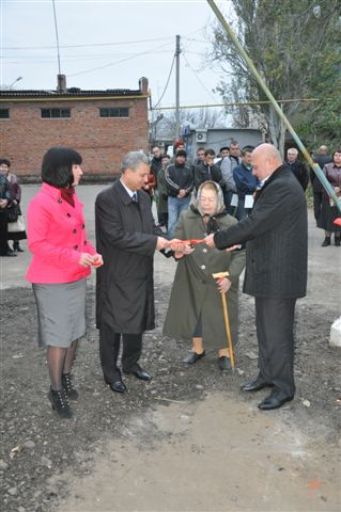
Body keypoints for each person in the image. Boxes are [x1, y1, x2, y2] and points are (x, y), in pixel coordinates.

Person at [205, 144, 308, 411]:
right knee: (266, 331)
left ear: (271, 161)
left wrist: (219, 239)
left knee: (278, 334)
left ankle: (284, 388)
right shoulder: (276, 182)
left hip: (279, 276)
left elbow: (255, 223)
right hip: (269, 272)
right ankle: (266, 375)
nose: (253, 169)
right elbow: (268, 229)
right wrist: (237, 245)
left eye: (256, 165)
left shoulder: (282, 186)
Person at [26, 147, 103, 419]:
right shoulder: (40, 203)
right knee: (59, 338)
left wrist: (91, 253)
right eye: (76, 167)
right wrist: (75, 257)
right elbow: (37, 245)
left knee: (74, 332)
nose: (81, 171)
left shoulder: (70, 198)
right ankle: (55, 388)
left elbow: (80, 239)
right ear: (62, 170)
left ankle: (67, 376)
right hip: (52, 282)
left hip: (75, 277)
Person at [95, 151, 170, 394]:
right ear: (126, 172)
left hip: (140, 270)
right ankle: (110, 372)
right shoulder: (106, 199)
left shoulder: (144, 198)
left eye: (147, 174)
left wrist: (170, 247)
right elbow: (115, 236)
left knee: (136, 320)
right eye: (142, 175)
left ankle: (131, 363)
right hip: (117, 272)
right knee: (113, 324)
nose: (146, 179)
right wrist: (154, 244)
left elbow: (151, 228)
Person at [163, 181, 245, 370]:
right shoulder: (186, 217)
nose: (206, 203)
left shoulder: (231, 223)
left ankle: (224, 352)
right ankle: (197, 349)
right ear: (197, 199)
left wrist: (230, 277)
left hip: (220, 277)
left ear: (219, 200)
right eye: (203, 199)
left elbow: (241, 252)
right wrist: (180, 249)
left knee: (221, 316)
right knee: (195, 314)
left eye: (211, 199)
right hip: (191, 275)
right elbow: (177, 241)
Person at [165, 149, 194, 238]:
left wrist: (185, 191)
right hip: (173, 199)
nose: (181, 159)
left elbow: (192, 183)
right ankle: (171, 243)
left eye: (183, 157)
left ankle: (180, 240)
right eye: (179, 156)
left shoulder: (188, 169)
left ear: (185, 159)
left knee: (182, 221)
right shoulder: (170, 168)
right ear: (175, 157)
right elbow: (168, 180)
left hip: (185, 199)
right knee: (172, 221)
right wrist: (179, 190)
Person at [0, 158, 26, 252]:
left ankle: (16, 244)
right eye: (2, 167)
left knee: (17, 225)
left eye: (6, 167)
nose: (3, 169)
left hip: (14, 204)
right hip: (4, 205)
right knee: (5, 227)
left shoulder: (13, 177)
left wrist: (16, 200)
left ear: (8, 168)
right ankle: (6, 246)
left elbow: (18, 190)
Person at [317, 149, 341, 246]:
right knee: (328, 218)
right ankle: (327, 238)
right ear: (333, 156)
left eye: (340, 155)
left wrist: (339, 189)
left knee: (339, 217)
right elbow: (322, 180)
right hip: (329, 196)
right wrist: (331, 189)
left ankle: (337, 238)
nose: (338, 157)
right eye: (336, 155)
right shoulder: (327, 167)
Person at [233, 146, 258, 220]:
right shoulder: (237, 170)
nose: (250, 159)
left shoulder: (256, 168)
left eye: (252, 156)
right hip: (243, 199)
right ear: (242, 157)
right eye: (248, 156)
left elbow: (260, 180)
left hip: (255, 198)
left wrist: (258, 188)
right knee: (242, 220)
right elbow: (241, 184)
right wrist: (255, 188)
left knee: (255, 220)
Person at [311, 145, 332, 224]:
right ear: (326, 151)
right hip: (327, 185)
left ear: (320, 151)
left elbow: (311, 172)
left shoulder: (315, 160)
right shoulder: (330, 159)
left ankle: (317, 219)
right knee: (326, 203)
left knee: (316, 203)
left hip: (317, 183)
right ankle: (325, 219)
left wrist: (313, 182)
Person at [220, 141, 240, 213]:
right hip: (231, 192)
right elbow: (227, 178)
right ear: (230, 150)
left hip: (239, 192)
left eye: (237, 149)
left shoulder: (240, 160)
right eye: (233, 149)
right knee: (231, 212)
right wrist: (237, 189)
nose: (235, 151)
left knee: (238, 212)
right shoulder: (226, 160)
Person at [0, 167, 15, 257]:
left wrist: (6, 200)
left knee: (3, 230)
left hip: (2, 207)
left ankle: (3, 250)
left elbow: (8, 190)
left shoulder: (3, 178)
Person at [156, 153, 170, 229]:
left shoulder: (171, 170)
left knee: (171, 215)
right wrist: (164, 192)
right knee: (165, 214)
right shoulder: (160, 172)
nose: (165, 161)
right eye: (163, 160)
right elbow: (159, 184)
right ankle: (167, 229)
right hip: (163, 196)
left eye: (166, 160)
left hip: (171, 195)